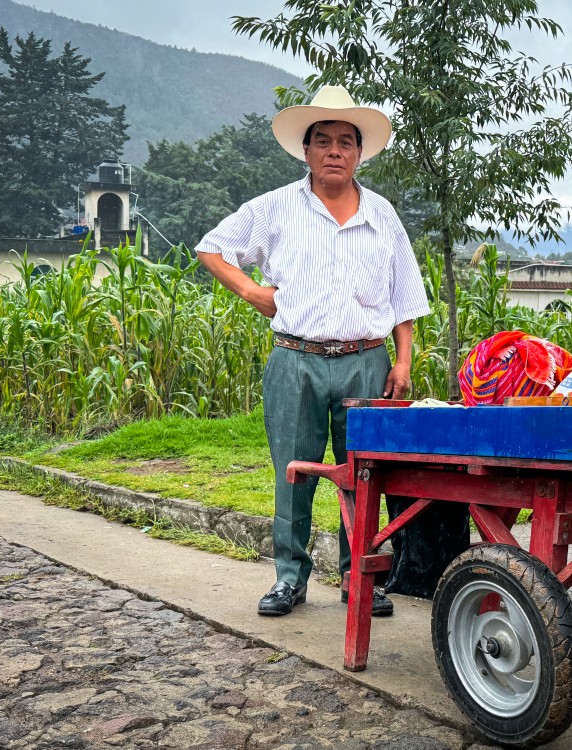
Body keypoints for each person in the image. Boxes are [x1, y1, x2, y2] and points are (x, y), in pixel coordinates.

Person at [195, 85, 430, 618]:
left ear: (359, 152)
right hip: (295, 360)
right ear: (306, 150)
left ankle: (358, 577)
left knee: (364, 474)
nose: (334, 151)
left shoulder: (382, 215)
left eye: (346, 142)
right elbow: (212, 247)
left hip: (366, 361)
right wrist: (253, 292)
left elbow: (404, 295)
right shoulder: (275, 207)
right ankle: (289, 578)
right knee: (293, 472)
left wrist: (402, 361)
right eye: (323, 141)